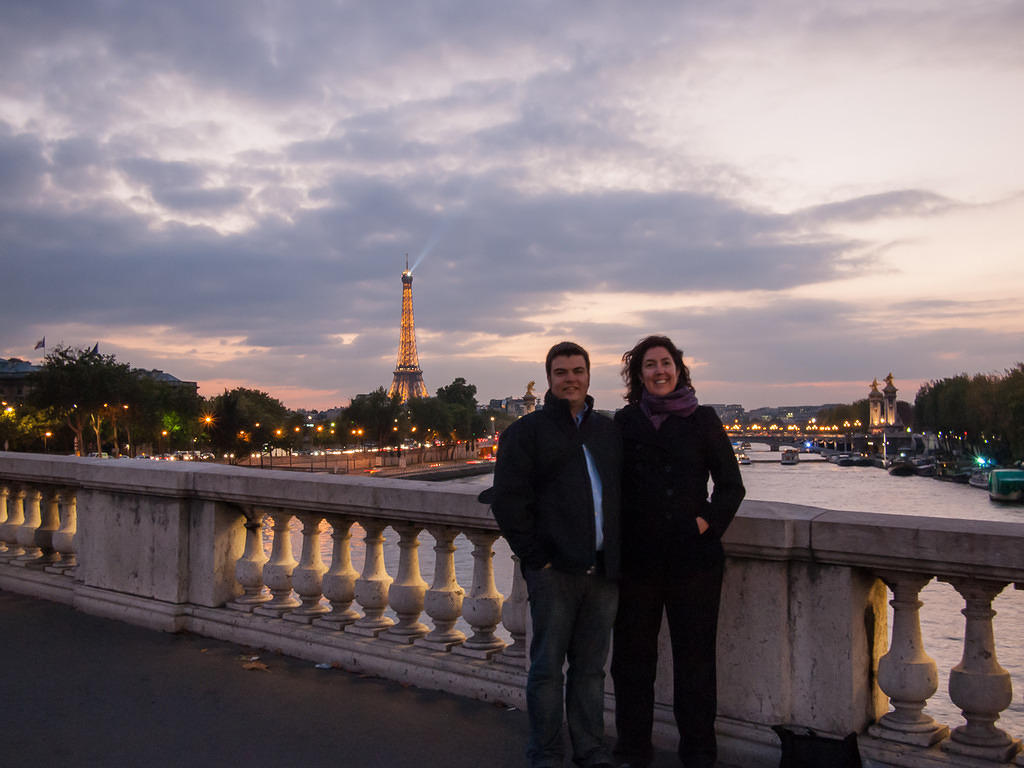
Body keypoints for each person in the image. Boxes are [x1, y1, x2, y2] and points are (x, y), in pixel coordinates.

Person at [611, 335, 745, 768]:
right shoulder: (626, 422)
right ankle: (633, 750)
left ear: (678, 369)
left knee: (696, 664)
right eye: (649, 365)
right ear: (639, 375)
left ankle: (699, 754)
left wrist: (702, 523)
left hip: (693, 560)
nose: (659, 371)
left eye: (665, 363)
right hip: (639, 559)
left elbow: (731, 485)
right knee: (632, 663)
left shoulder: (703, 420)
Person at [490, 341, 622, 768]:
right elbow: (508, 502)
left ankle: (590, 750)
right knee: (547, 670)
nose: (571, 379)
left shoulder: (606, 431)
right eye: (562, 372)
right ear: (549, 379)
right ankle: (546, 752)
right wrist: (537, 559)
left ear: (589, 375)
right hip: (554, 572)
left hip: (602, 569)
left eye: (577, 371)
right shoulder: (526, 433)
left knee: (590, 671)